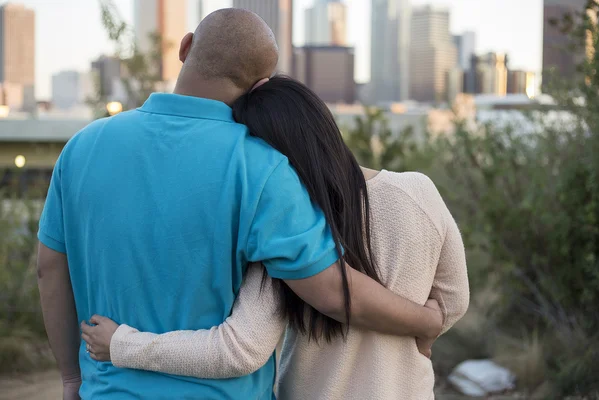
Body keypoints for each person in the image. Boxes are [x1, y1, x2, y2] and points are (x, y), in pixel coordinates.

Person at [36, 10, 443, 400]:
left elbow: (49, 268)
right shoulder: (263, 168)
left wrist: (72, 378)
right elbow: (332, 293)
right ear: (260, 85)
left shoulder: (83, 147)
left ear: (185, 47)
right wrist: (425, 320)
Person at [81, 77, 470, 400]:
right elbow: (454, 302)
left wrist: (123, 345)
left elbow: (239, 350)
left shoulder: (287, 228)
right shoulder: (418, 192)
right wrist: (425, 324)